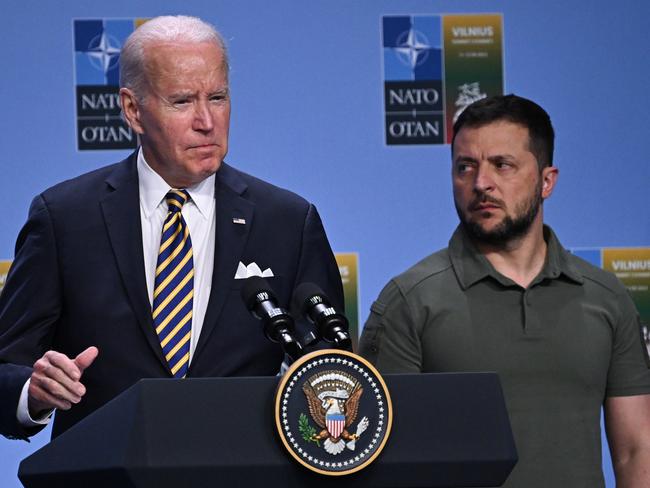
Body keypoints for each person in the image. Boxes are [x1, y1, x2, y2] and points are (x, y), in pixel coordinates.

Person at [0, 15, 343, 440]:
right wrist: (32, 393)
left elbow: (332, 372)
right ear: (132, 110)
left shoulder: (289, 222)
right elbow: (6, 366)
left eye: (217, 97)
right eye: (182, 101)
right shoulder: (65, 219)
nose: (207, 121)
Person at [359, 94, 650, 487]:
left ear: (547, 181)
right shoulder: (409, 301)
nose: (481, 183)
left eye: (502, 165)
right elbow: (380, 462)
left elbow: (635, 450)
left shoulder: (606, 297)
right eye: (465, 167)